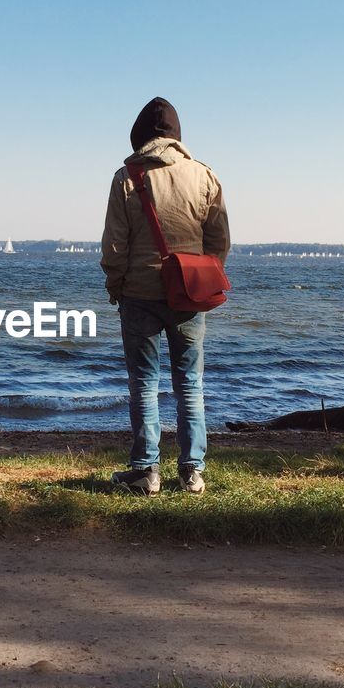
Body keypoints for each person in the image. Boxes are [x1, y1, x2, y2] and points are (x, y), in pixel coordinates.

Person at [100, 97, 230, 495]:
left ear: (140, 135)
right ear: (177, 136)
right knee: (190, 383)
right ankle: (192, 472)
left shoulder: (127, 177)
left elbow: (115, 248)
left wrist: (115, 286)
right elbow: (219, 242)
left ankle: (145, 472)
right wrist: (199, 277)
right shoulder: (205, 176)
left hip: (139, 293)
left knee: (143, 383)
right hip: (189, 296)